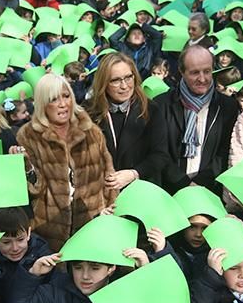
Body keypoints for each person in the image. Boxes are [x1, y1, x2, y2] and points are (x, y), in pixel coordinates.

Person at [15, 74, 115, 251]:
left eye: (66, 96)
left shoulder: (91, 131)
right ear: (43, 103)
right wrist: (25, 166)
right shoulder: (28, 136)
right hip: (49, 229)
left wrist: (110, 212)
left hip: (92, 225)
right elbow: (33, 190)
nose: (63, 104)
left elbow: (109, 177)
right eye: (54, 99)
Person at [146, 45, 238, 195]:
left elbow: (224, 152)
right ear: (182, 72)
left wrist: (201, 183)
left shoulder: (227, 106)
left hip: (209, 190)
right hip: (169, 190)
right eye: (195, 73)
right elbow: (159, 150)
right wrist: (183, 184)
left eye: (207, 71)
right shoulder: (161, 104)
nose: (202, 79)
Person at [86, 53, 152, 191]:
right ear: (104, 83)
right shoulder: (88, 112)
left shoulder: (151, 109)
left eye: (128, 77)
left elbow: (160, 155)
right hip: (101, 191)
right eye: (116, 80)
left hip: (141, 189)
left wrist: (134, 173)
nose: (124, 86)